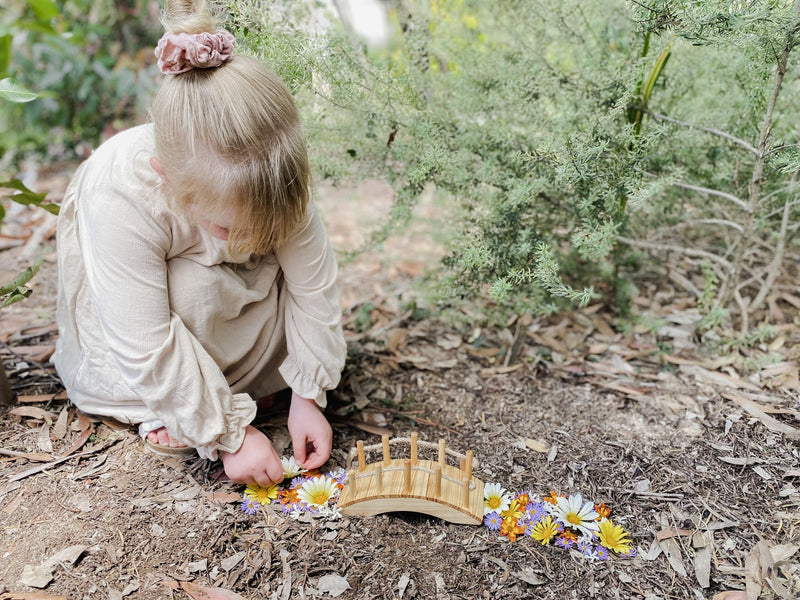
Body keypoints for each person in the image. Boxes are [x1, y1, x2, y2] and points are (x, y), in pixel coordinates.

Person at [51, 0, 346, 488]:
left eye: (265, 230)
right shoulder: (120, 191)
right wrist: (229, 434)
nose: (252, 242)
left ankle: (247, 382)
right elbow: (143, 341)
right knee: (195, 289)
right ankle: (180, 407)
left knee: (247, 281)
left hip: (241, 318)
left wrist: (308, 396)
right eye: (232, 230)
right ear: (168, 179)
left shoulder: (272, 174)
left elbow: (313, 289)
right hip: (140, 334)